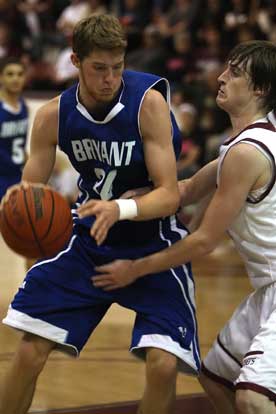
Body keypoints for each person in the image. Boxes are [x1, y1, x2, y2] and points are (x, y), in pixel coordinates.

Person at [0, 14, 200, 414]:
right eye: (99, 69)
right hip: (90, 240)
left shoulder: (148, 104)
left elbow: (169, 195)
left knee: (162, 366)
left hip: (151, 242)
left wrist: (120, 208)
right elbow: (29, 192)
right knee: (29, 352)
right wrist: (15, 206)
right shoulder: (52, 116)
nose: (110, 79)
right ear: (75, 61)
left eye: (117, 68)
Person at [93, 40, 276, 414]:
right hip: (267, 290)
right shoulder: (239, 146)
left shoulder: (247, 152)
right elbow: (188, 189)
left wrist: (136, 268)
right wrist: (124, 205)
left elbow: (204, 240)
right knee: (213, 376)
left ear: (260, 89)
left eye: (235, 73)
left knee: (253, 398)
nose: (221, 78)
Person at [0, 57, 28, 201]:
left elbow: (20, 146)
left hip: (18, 178)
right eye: (10, 74)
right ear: (1, 78)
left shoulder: (23, 106)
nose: (15, 79)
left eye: (19, 74)